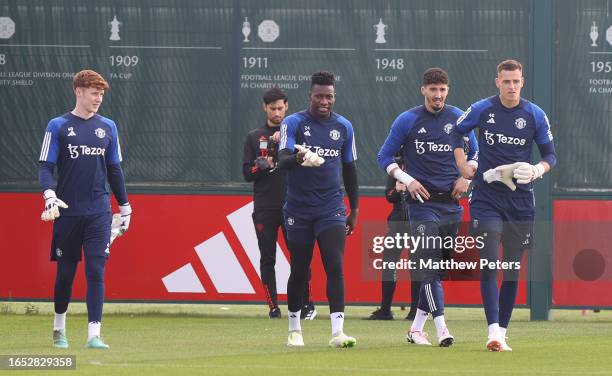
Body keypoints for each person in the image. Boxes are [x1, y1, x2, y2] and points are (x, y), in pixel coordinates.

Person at [450, 59, 556, 352]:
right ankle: (493, 332)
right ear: (497, 81)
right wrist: (461, 161)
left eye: (516, 81)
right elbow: (455, 131)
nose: (511, 86)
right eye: (506, 81)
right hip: (486, 198)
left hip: (521, 201)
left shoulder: (535, 115)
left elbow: (550, 155)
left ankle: (503, 333)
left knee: (511, 269)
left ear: (522, 82)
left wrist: (537, 170)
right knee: (489, 263)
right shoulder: (482, 109)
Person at [377, 68, 478, 347]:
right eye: (432, 89)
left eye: (442, 89)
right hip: (421, 204)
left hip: (452, 204)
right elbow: (383, 155)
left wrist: (465, 178)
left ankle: (415, 329)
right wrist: (407, 180)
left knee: (439, 270)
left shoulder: (459, 118)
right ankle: (442, 328)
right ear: (423, 90)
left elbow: (477, 153)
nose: (438, 95)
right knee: (429, 268)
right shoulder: (407, 120)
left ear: (448, 90)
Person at [38, 70, 131, 349]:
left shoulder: (109, 127)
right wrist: (49, 194)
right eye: (94, 93)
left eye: (101, 94)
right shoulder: (57, 125)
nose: (98, 98)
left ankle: (94, 335)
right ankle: (59, 328)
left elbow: (114, 170)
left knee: (95, 269)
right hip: (67, 211)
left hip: (99, 212)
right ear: (78, 91)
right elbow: (45, 166)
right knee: (66, 273)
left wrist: (125, 206)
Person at [277, 71, 359, 348]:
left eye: (329, 96)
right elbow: (283, 158)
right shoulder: (294, 122)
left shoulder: (344, 126)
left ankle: (337, 332)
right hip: (298, 209)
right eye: (319, 96)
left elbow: (349, 168)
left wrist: (355, 208)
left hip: (332, 207)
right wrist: (300, 156)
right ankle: (294, 328)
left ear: (334, 97)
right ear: (309, 96)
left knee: (335, 265)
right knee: (300, 269)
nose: (324, 101)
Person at [242, 87, 316, 320]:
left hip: (293, 205)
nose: (277, 112)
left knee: (299, 255)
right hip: (265, 207)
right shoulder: (254, 137)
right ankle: (273, 306)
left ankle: (306, 304)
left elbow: (308, 163)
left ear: (287, 107)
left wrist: (286, 150)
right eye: (272, 108)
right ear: (265, 108)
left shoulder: (296, 135)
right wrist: (261, 165)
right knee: (268, 257)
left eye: (280, 108)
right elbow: (247, 174)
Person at [368, 154, 420, 321]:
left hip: (418, 222)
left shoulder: (423, 163)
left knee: (417, 267)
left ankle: (415, 311)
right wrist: (397, 190)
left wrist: (410, 189)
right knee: (389, 263)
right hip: (397, 223)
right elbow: (388, 195)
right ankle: (385, 309)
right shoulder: (395, 167)